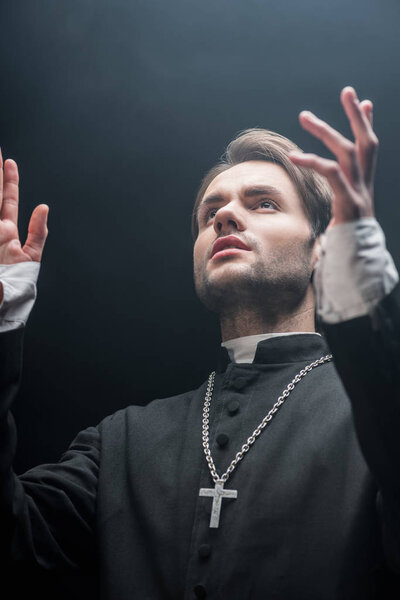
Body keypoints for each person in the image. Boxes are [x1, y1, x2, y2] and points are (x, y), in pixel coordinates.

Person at [0, 86, 399, 599]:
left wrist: (359, 259)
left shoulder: (375, 413)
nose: (225, 218)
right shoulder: (122, 441)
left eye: (264, 204)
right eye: (211, 213)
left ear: (322, 248)